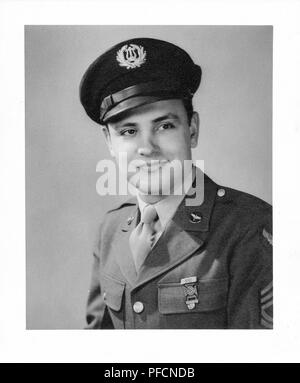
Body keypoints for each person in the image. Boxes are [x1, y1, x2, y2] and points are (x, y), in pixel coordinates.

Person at [80, 37, 273, 329]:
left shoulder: (248, 227)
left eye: (164, 126)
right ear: (109, 142)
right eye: (128, 131)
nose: (147, 147)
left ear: (192, 129)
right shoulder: (110, 230)